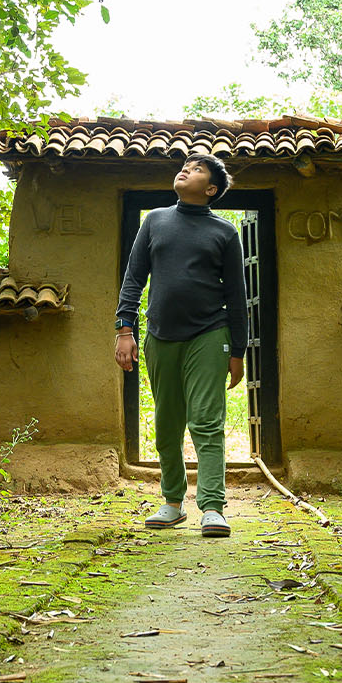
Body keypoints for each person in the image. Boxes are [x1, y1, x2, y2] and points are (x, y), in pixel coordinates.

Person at [114, 154, 247, 538]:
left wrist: (237, 351)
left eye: (198, 168)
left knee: (206, 420)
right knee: (167, 422)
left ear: (211, 189)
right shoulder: (154, 221)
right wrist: (125, 330)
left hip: (209, 334)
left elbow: (237, 298)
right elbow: (133, 279)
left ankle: (212, 506)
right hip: (160, 336)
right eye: (186, 165)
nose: (186, 168)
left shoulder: (225, 233)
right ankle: (172, 503)